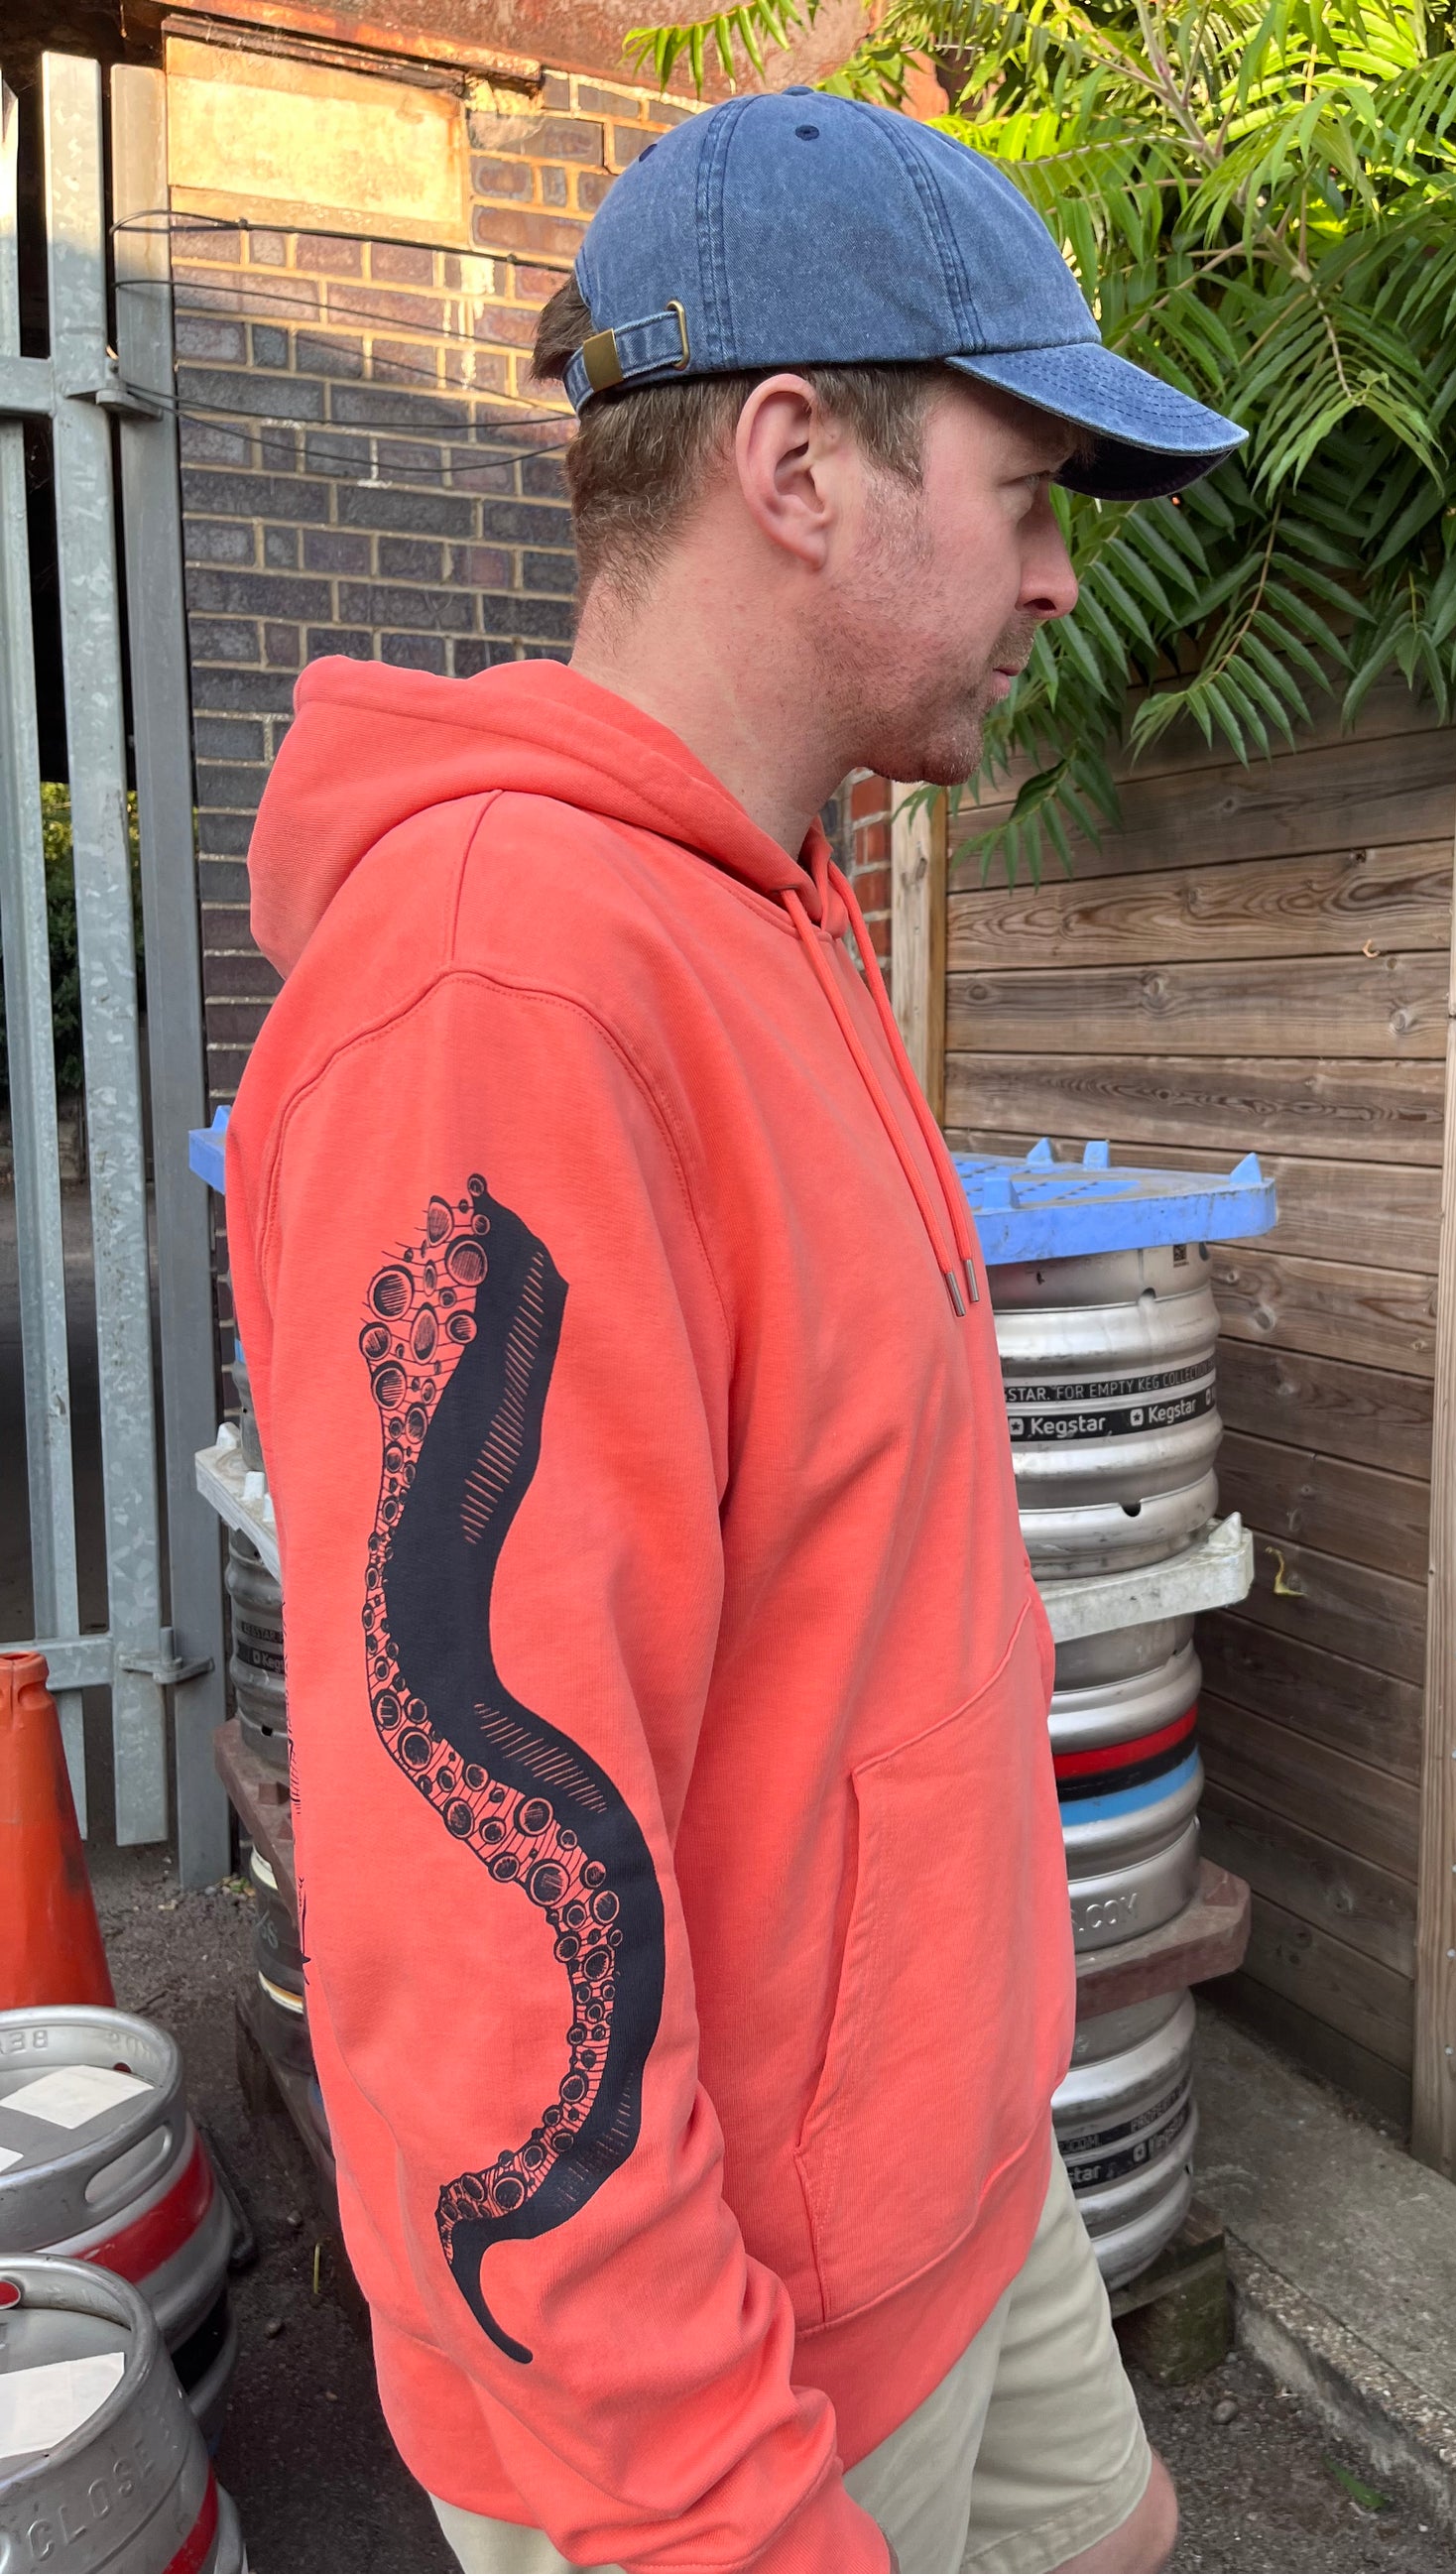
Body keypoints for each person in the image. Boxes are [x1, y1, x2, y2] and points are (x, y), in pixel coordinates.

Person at [224, 86, 1241, 2574]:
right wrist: (705, 2501)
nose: (1057, 580)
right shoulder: (507, 990)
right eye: (1026, 491)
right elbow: (484, 1901)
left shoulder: (767, 899)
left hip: (941, 2175)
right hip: (713, 2345)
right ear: (796, 462)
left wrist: (977, 2106)